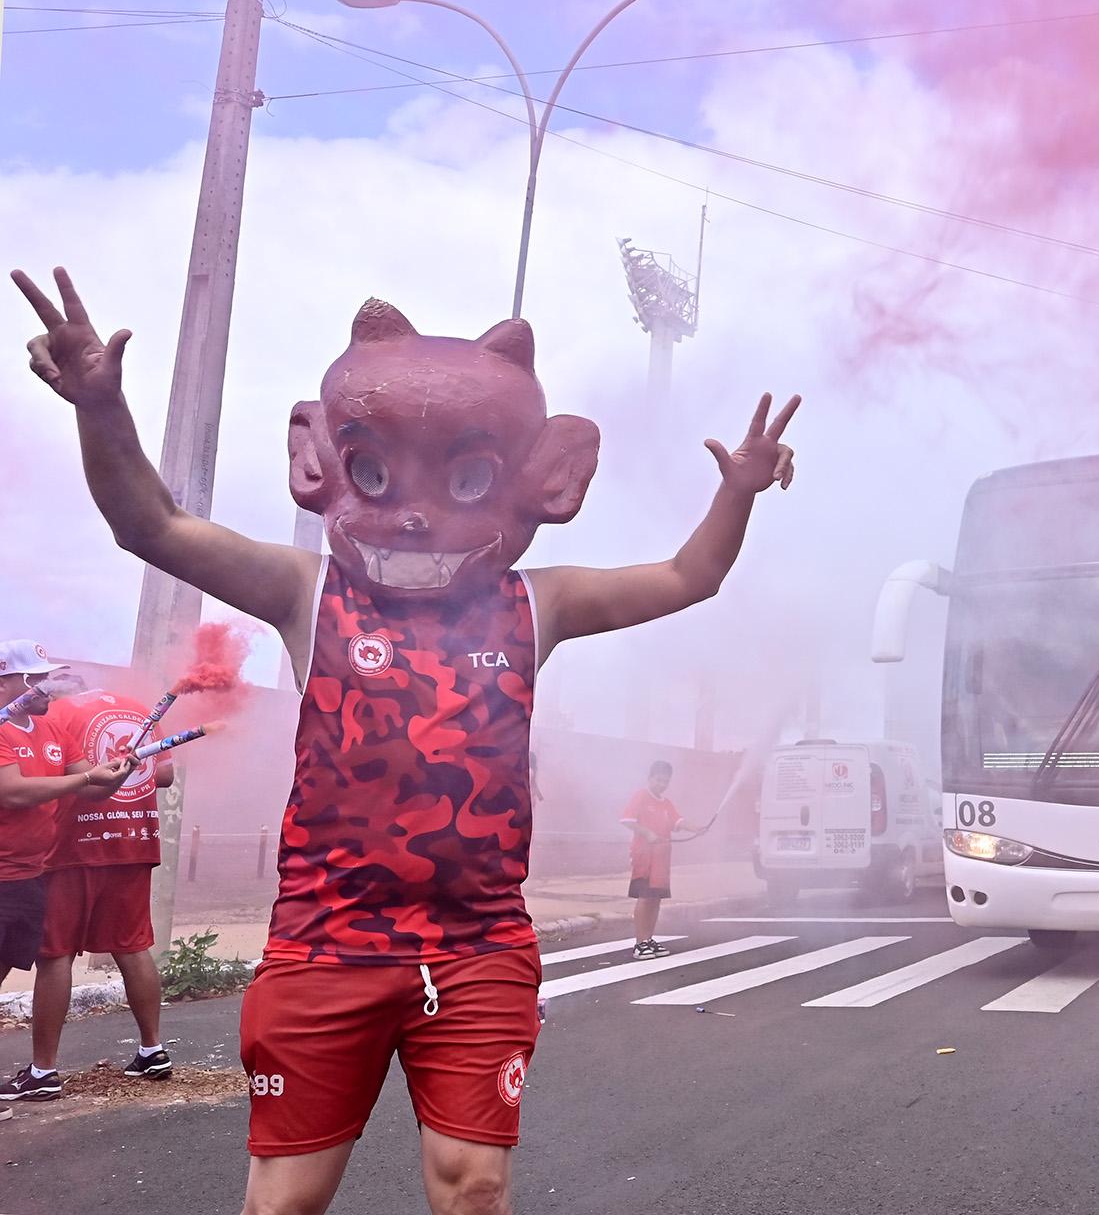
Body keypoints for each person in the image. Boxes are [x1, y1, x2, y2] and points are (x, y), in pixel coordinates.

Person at [14, 267, 797, 1215]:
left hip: (477, 951)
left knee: (473, 1189)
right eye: (378, 474)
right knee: (284, 1202)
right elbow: (152, 523)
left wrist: (740, 495)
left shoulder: (536, 604)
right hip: (325, 945)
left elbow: (685, 576)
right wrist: (101, 409)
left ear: (544, 480)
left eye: (467, 477)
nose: (418, 512)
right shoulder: (308, 592)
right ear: (322, 465)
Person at [0, 642, 137, 1102]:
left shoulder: (51, 725)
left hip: (29, 873)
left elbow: (92, 788)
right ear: (9, 682)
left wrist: (118, 774)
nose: (46, 686)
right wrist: (85, 779)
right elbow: (13, 793)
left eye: (48, 676)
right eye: (34, 679)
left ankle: (37, 1074)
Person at [29, 679, 179, 1094]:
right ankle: (153, 1049)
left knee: (55, 953)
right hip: (133, 839)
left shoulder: (56, 716)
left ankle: (43, 1071)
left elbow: (42, 774)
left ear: (54, 693)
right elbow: (163, 773)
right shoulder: (136, 707)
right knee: (132, 945)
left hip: (71, 846)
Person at [621, 761, 694, 959]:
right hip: (644, 858)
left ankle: (649, 938)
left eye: (666, 781)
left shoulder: (665, 803)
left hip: (662, 860)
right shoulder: (641, 796)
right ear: (650, 778)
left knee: (655, 899)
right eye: (659, 780)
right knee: (645, 898)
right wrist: (647, 833)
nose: (662, 784)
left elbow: (678, 821)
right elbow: (627, 820)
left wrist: (697, 828)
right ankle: (639, 943)